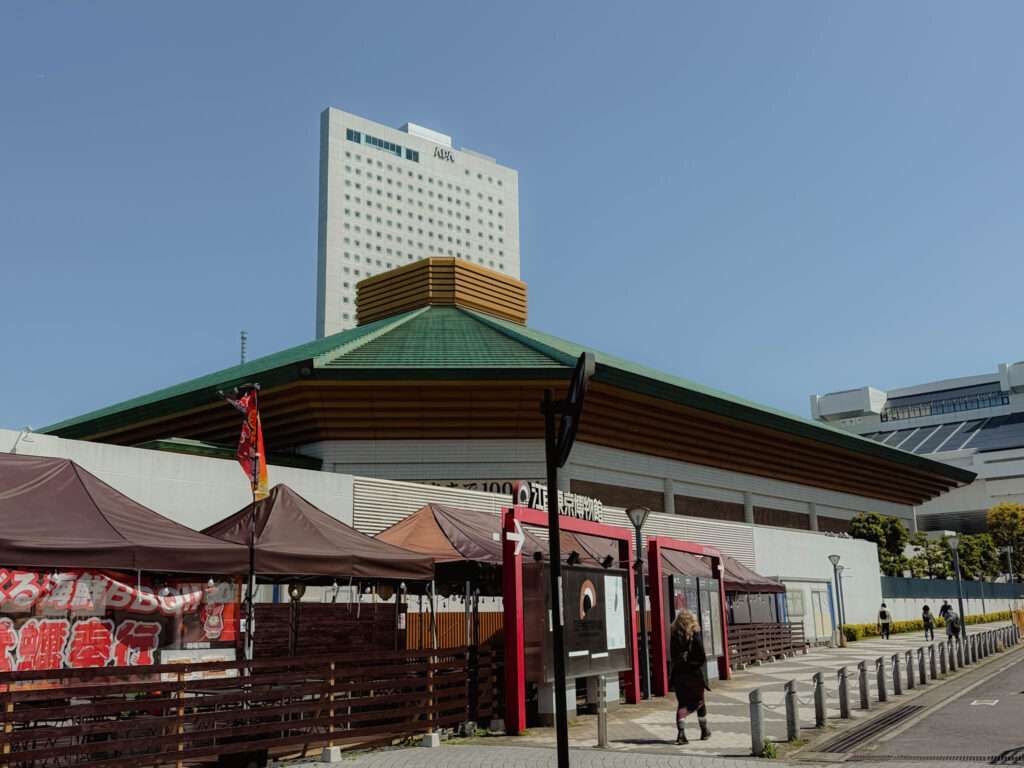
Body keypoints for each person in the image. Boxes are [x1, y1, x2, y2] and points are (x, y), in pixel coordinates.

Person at [669, 609, 711, 745]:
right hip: (694, 674)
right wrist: (696, 663)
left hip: (680, 674)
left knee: (682, 703)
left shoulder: (674, 635)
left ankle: (681, 734)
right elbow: (701, 655)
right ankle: (704, 731)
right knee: (700, 702)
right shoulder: (695, 634)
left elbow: (673, 656)